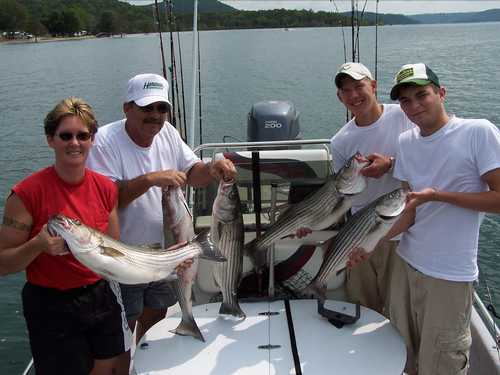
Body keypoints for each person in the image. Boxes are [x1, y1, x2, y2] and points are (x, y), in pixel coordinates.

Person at [87, 73, 236, 344]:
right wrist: (151, 179)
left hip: (167, 253)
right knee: (124, 320)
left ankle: (147, 348)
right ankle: (124, 359)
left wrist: (212, 169)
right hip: (127, 255)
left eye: (161, 108)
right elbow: (106, 200)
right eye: (147, 108)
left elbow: (192, 172)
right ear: (127, 108)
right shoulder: (104, 142)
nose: (155, 115)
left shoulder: (167, 132)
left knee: (156, 311)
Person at [0, 97, 131, 375]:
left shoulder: (107, 188)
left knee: (115, 366)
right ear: (51, 140)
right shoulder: (26, 195)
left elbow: (115, 252)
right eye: (66, 136)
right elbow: (3, 264)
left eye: (83, 135)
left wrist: (167, 263)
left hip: (101, 293)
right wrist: (37, 245)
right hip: (51, 304)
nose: (75, 143)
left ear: (93, 140)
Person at [386, 63, 500, 374]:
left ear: (441, 92)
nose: (414, 106)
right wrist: (371, 243)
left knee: (441, 362)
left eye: (422, 95)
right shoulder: (406, 142)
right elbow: (409, 209)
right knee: (402, 353)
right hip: (406, 262)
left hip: (449, 275)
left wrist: (439, 196)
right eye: (405, 101)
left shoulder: (478, 132)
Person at [329, 62, 414, 316]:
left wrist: (390, 164)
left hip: (403, 231)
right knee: (363, 304)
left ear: (373, 86)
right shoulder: (341, 141)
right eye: (346, 91)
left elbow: (430, 159)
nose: (354, 95)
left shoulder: (404, 115)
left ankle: (402, 354)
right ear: (339, 97)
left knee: (401, 307)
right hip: (359, 232)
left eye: (359, 86)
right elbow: (343, 193)